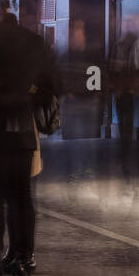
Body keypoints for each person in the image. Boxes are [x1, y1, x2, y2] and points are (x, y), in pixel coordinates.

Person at [0, 0, 56, 276]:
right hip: (23, 130)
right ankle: (24, 257)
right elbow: (54, 84)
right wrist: (28, 96)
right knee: (22, 197)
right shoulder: (34, 41)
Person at [58, 18, 105, 198]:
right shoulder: (67, 55)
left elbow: (99, 75)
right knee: (75, 142)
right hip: (75, 103)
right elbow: (60, 77)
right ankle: (76, 176)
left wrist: (97, 94)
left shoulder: (90, 54)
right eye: (74, 32)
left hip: (88, 102)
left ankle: (85, 176)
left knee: (88, 142)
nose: (76, 36)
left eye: (79, 31)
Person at [108, 17, 139, 193]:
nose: (138, 27)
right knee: (126, 136)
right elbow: (111, 69)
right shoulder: (120, 45)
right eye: (135, 24)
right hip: (125, 95)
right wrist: (116, 88)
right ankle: (128, 175)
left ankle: (138, 176)